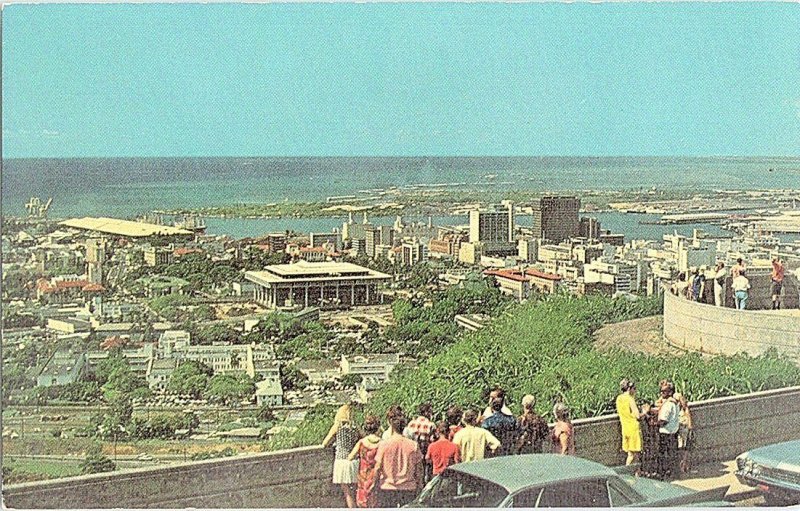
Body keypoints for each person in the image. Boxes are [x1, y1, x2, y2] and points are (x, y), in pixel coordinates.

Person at [374, 411, 423, 508]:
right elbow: (419, 470)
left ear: (392, 427)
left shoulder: (384, 444)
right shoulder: (413, 445)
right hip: (408, 487)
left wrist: (375, 485)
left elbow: (377, 468)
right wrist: (420, 485)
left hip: (387, 486)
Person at [322, 403, 361, 508]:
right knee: (355, 491)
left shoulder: (337, 426)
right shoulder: (355, 427)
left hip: (342, 461)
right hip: (355, 461)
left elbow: (325, 443)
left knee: (347, 492)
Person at [348, 415, 381, 508]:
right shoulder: (381, 443)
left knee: (363, 502)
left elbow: (350, 457)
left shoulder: (362, 442)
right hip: (376, 476)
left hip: (363, 476)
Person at [403, 403, 435, 484]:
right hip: (425, 453)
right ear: (426, 412)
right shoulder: (430, 425)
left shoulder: (411, 424)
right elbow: (433, 441)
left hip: (412, 453)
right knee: (425, 474)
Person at [656, 381, 680, 480]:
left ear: (670, 392)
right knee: (672, 454)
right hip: (673, 432)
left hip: (666, 433)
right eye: (661, 391)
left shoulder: (668, 405)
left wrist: (654, 423)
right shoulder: (674, 403)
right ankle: (672, 474)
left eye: (664, 391)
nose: (662, 393)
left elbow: (663, 420)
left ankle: (664, 474)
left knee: (663, 455)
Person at [616, 379, 643, 466]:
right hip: (633, 429)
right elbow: (638, 416)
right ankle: (627, 472)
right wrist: (646, 411)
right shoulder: (630, 399)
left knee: (633, 454)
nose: (635, 391)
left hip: (625, 428)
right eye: (634, 388)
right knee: (632, 454)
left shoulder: (619, 399)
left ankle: (637, 474)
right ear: (629, 388)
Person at [674, 393, 693, 474]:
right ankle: (683, 464)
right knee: (681, 447)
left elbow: (689, 420)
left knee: (684, 447)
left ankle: (684, 464)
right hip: (679, 429)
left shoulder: (685, 409)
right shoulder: (676, 408)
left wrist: (690, 428)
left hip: (684, 429)